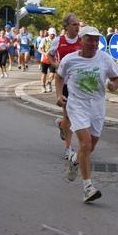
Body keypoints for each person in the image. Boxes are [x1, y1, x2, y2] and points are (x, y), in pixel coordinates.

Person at [56, 26, 118, 203]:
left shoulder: (105, 59)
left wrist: (114, 85)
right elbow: (59, 76)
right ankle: (88, 188)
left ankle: (74, 160)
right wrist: (59, 94)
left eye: (96, 40)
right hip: (77, 104)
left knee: (89, 148)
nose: (93, 44)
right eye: (89, 40)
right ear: (81, 40)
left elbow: (115, 78)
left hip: (97, 106)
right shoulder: (70, 60)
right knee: (85, 142)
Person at [48, 13, 82, 159]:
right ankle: (69, 147)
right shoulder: (58, 40)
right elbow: (49, 54)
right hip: (64, 82)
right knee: (68, 113)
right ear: (66, 26)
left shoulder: (82, 40)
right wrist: (55, 64)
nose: (77, 27)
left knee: (77, 116)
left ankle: (62, 124)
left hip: (79, 83)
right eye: (74, 24)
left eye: (78, 25)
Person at [38, 28, 57, 93]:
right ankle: (43, 86)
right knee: (44, 74)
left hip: (52, 59)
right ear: (48, 33)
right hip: (44, 59)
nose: (53, 36)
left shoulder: (56, 40)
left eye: (54, 34)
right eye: (51, 34)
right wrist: (44, 53)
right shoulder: (45, 40)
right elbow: (39, 49)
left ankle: (49, 83)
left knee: (52, 74)